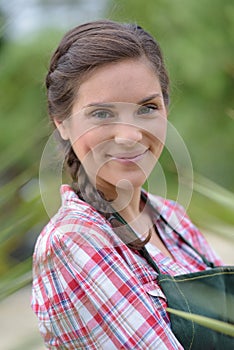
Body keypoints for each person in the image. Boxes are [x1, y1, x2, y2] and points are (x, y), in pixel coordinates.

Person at [31, 20, 224, 349]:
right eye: (102, 114)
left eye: (147, 108)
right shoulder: (73, 243)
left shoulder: (172, 218)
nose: (130, 135)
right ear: (61, 123)